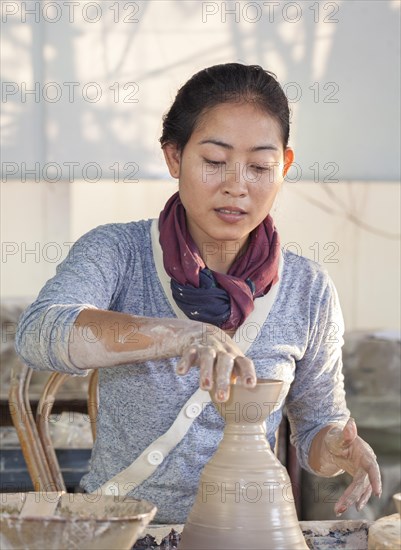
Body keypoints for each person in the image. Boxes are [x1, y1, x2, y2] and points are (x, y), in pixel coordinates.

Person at [15, 63, 381, 524]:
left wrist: (338, 449)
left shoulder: (308, 289)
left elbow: (315, 432)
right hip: (124, 527)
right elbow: (39, 332)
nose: (237, 185)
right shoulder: (119, 253)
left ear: (284, 166)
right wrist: (178, 334)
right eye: (213, 161)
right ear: (174, 157)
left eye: (260, 166)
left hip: (248, 528)